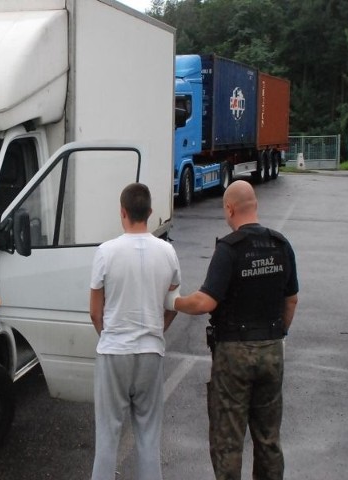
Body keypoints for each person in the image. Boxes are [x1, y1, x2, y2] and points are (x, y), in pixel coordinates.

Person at [170, 180, 299, 480]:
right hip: (271, 348)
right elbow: (291, 299)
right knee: (268, 438)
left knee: (228, 441)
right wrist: (278, 333)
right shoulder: (281, 245)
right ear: (255, 205)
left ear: (229, 208)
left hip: (233, 354)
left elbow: (205, 302)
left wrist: (174, 302)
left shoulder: (229, 249)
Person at [90, 182, 181, 480]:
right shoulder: (168, 252)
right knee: (148, 434)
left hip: (115, 350)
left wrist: (109, 334)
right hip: (151, 351)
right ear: (150, 212)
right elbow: (173, 303)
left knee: (107, 435)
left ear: (123, 212)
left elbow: (95, 311)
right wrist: (158, 330)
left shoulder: (106, 252)